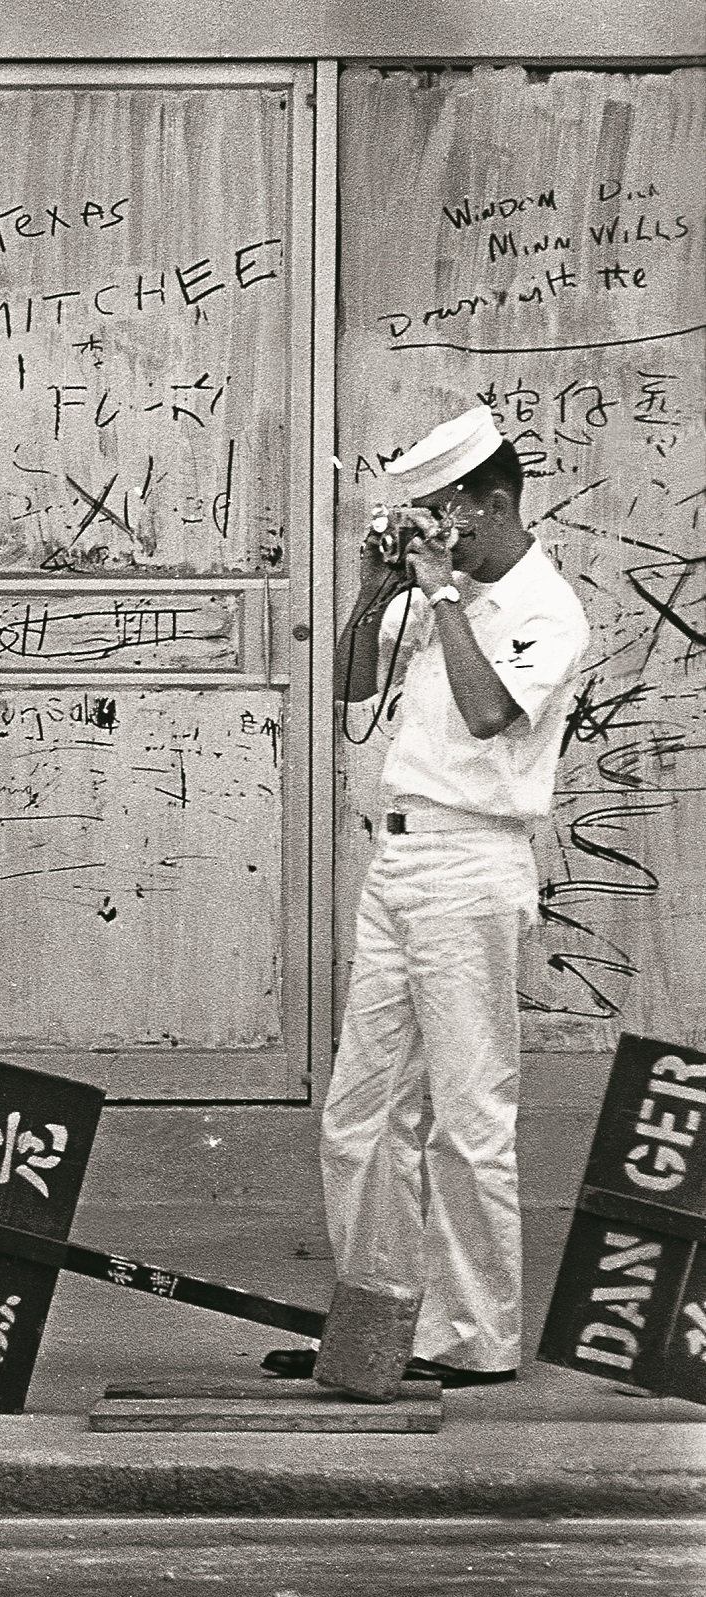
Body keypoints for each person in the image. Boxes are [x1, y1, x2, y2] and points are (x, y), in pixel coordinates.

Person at [267, 405, 590, 1389]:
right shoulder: (436, 593)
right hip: (396, 864)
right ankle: (376, 1326)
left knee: (468, 1113)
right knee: (359, 1115)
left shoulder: (545, 607)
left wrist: (442, 592)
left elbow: (490, 713)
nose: (438, 532)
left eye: (447, 512)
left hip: (474, 866)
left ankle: (475, 1338)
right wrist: (376, 590)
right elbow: (350, 688)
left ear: (491, 504)